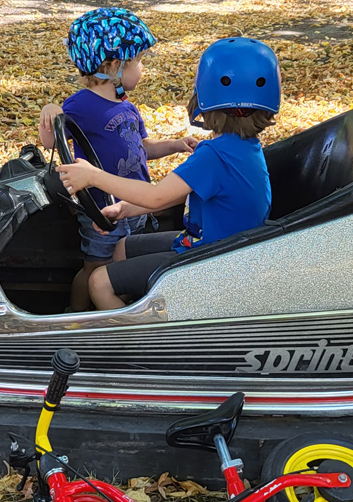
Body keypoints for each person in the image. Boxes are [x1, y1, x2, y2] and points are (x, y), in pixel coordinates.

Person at [56, 36, 280, 311]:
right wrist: (126, 209)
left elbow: (156, 197)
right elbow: (179, 193)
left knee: (99, 282)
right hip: (217, 245)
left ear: (202, 99)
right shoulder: (241, 148)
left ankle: (143, 342)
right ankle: (134, 309)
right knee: (122, 248)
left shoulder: (214, 155)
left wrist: (92, 176)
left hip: (211, 259)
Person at [38, 7, 198, 310]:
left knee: (120, 268)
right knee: (94, 269)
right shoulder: (81, 104)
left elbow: (144, 148)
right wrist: (50, 110)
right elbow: (53, 140)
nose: (142, 68)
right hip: (102, 211)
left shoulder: (128, 108)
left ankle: (118, 309)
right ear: (113, 65)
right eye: (138, 61)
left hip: (134, 205)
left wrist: (176, 145)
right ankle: (76, 317)